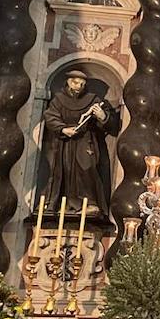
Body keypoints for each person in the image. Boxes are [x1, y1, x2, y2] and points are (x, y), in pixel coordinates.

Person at [40, 69, 121, 219]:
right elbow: (50, 116)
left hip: (86, 141)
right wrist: (63, 129)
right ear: (68, 82)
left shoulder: (93, 100)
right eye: (76, 83)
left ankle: (89, 203)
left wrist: (102, 116)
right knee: (62, 169)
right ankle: (59, 204)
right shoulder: (58, 100)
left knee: (87, 167)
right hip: (62, 143)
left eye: (82, 84)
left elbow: (111, 124)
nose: (79, 87)